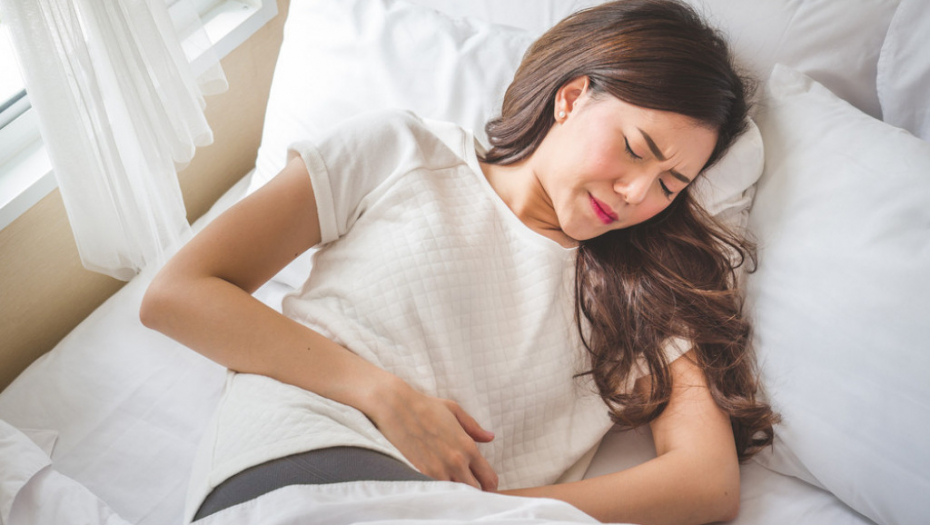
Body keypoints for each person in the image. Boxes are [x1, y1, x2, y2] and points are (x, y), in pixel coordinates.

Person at [140, 0, 778, 523]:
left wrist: (490, 508)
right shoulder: (403, 152)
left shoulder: (649, 292)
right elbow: (178, 294)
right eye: (636, 149)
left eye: (670, 185)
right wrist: (385, 397)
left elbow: (707, 483)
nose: (638, 193)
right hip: (306, 455)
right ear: (571, 97)